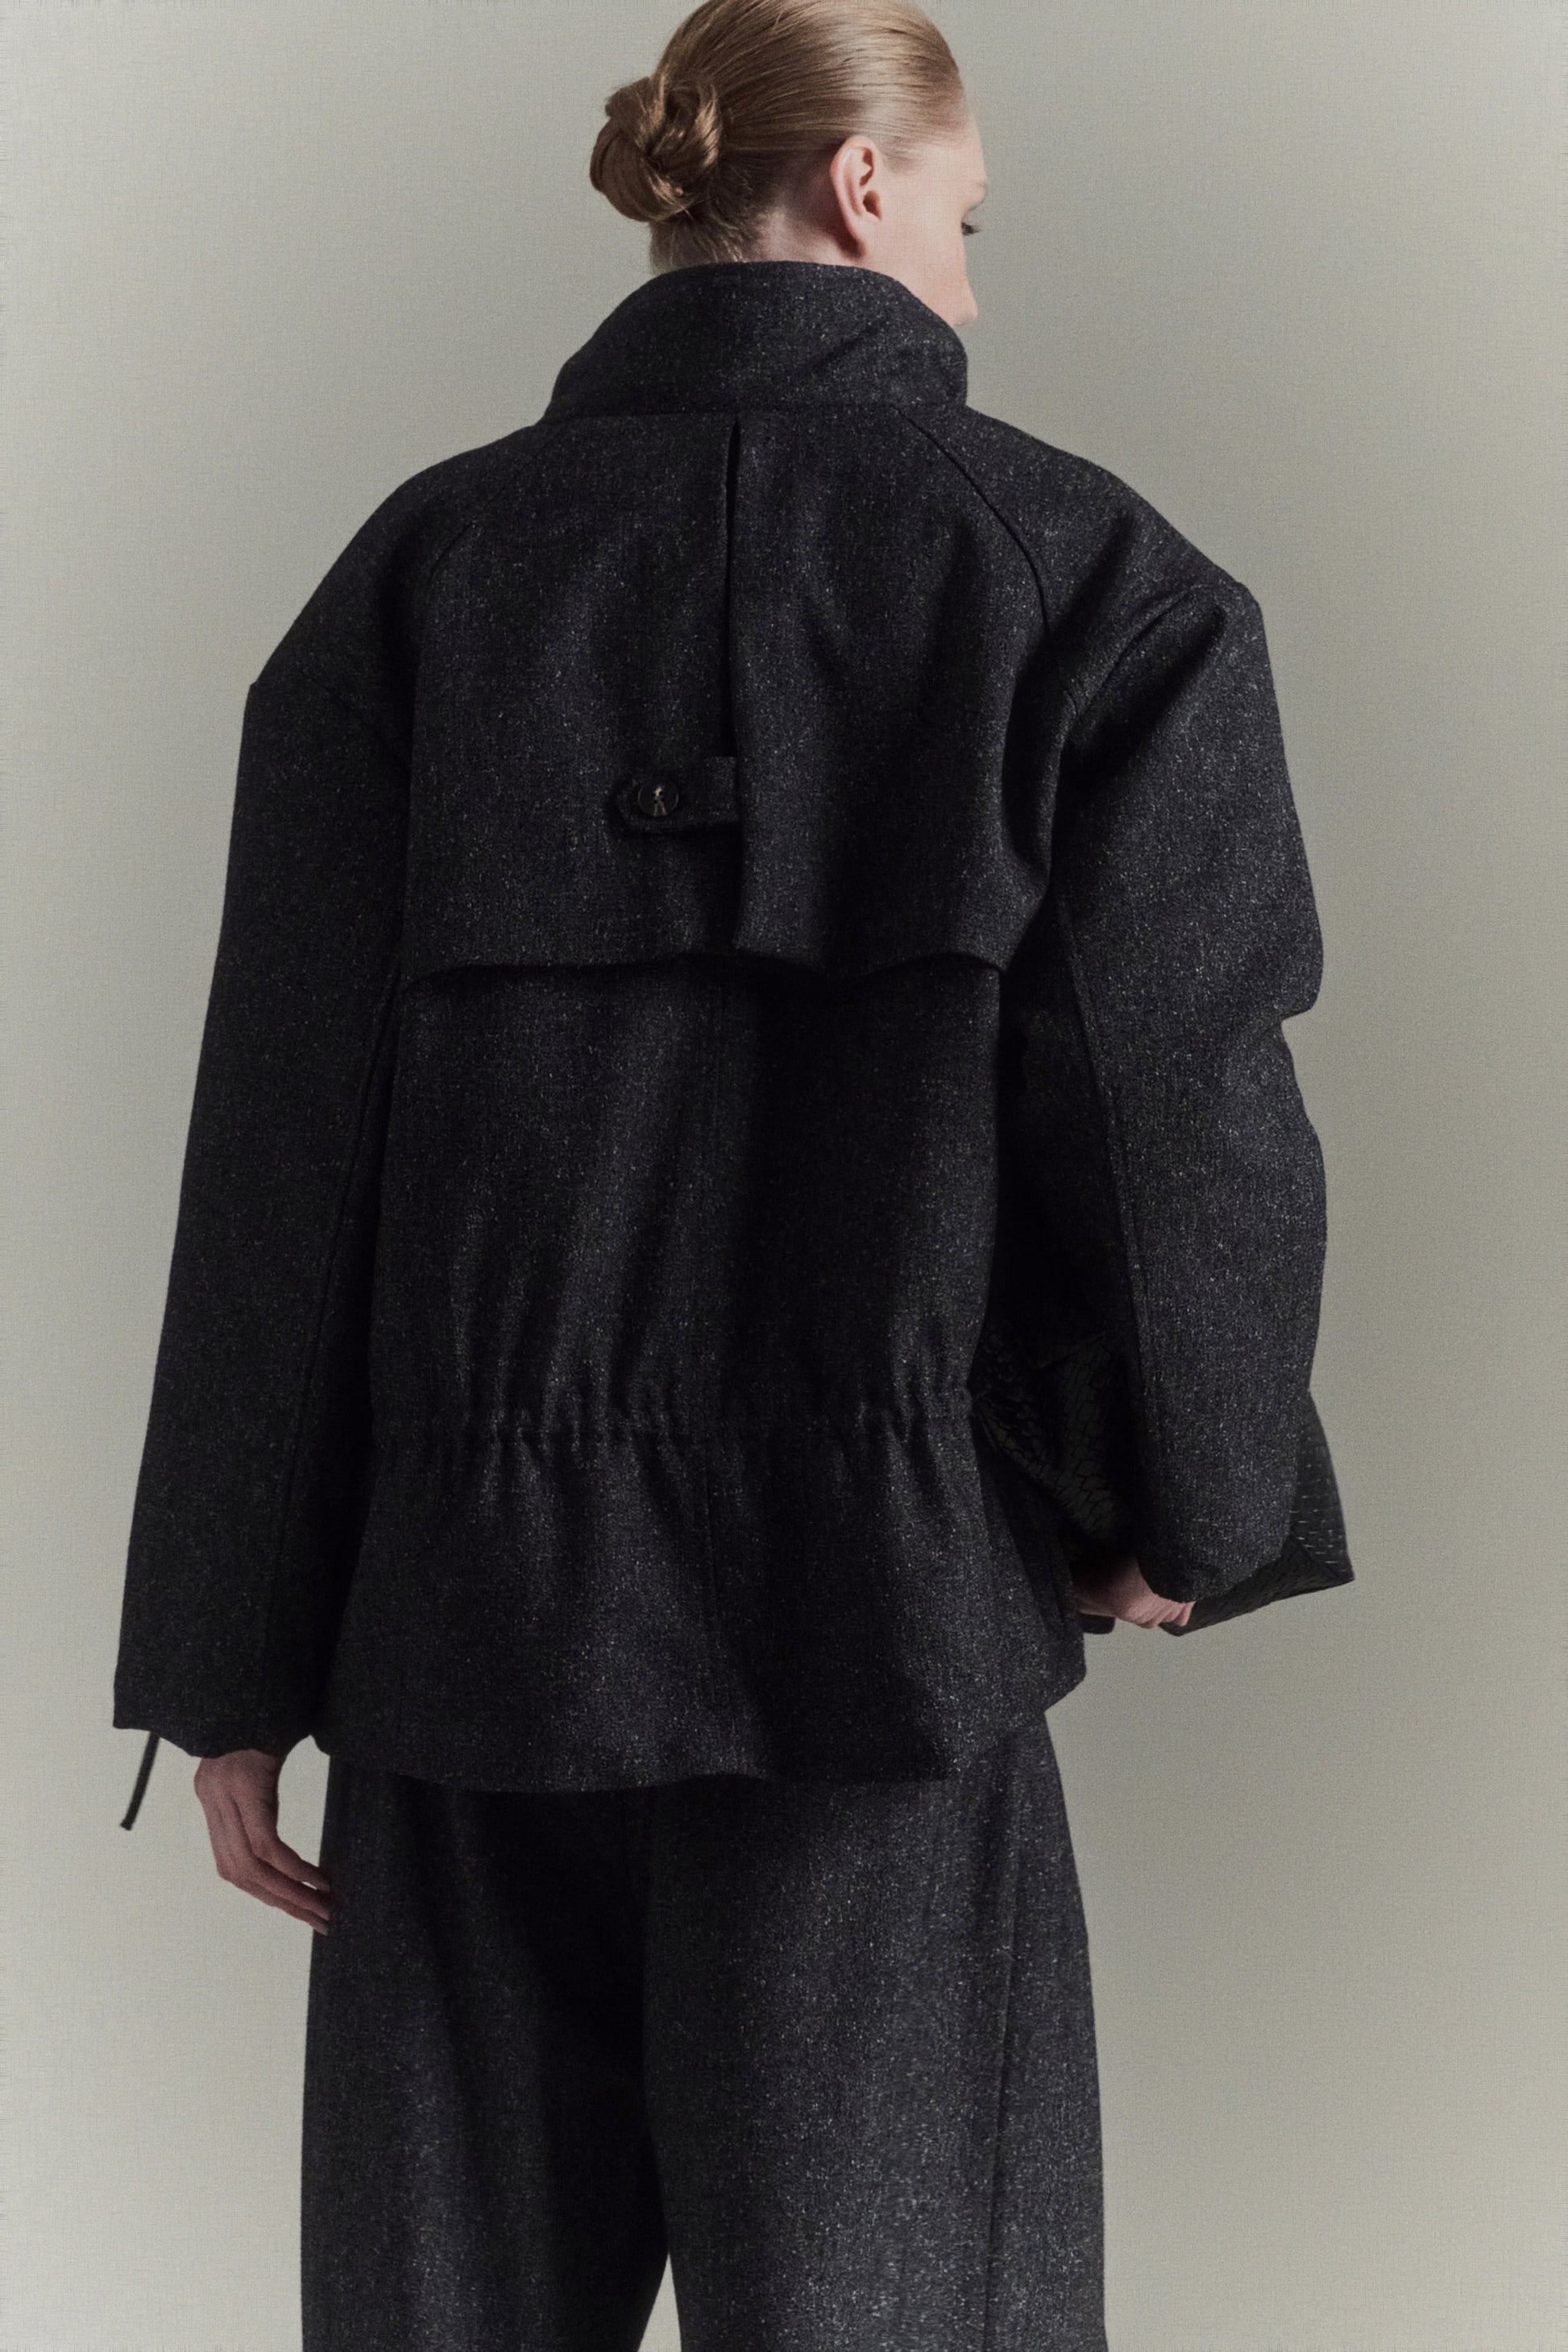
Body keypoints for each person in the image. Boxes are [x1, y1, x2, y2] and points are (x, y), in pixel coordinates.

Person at [111, 2, 1350, 2343]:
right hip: (881, 1634)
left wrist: (226, 1658)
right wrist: (1188, 1495)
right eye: (967, 222)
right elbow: (1171, 1097)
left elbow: (280, 1137)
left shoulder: (421, 574)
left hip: (464, 1637)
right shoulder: (1089, 576)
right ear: (867, 191)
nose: (968, 278)